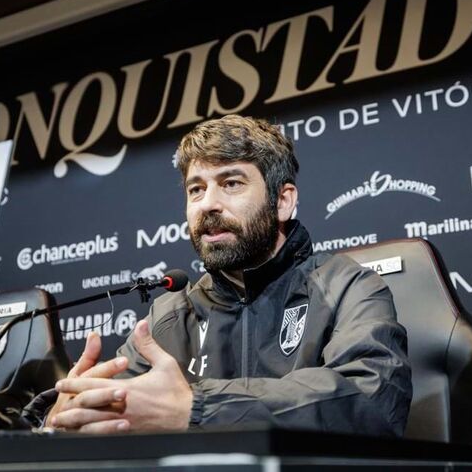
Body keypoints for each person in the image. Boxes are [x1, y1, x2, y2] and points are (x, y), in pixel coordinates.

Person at [27, 115, 411, 436]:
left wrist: (197, 409)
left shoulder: (348, 286)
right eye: (196, 189)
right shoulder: (171, 314)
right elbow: (116, 405)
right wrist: (66, 412)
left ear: (282, 201)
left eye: (231, 183)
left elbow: (372, 398)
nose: (208, 203)